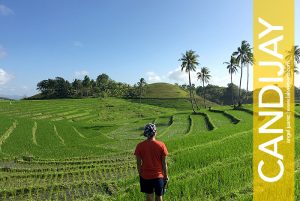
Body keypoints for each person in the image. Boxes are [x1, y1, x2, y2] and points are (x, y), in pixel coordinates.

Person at [134, 123, 169, 201]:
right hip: (158, 176)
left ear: (146, 134)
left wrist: (141, 174)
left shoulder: (139, 146)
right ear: (155, 133)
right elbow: (164, 163)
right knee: (159, 196)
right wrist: (166, 176)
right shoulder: (161, 145)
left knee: (149, 196)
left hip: (145, 176)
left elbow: (138, 163)